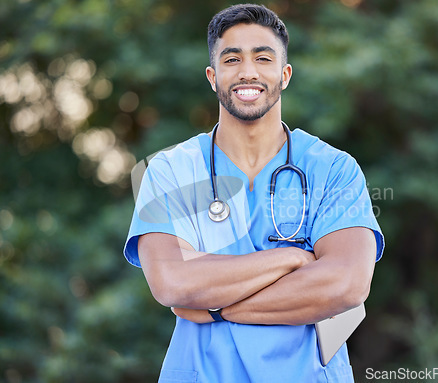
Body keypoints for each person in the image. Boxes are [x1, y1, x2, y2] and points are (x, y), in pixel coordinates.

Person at [124, 4, 384, 383]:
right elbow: (172, 283)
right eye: (232, 59)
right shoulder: (170, 171)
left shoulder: (333, 169)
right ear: (213, 77)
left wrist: (213, 307)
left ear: (285, 74)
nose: (248, 72)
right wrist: (293, 258)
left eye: (263, 58)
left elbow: (347, 283)